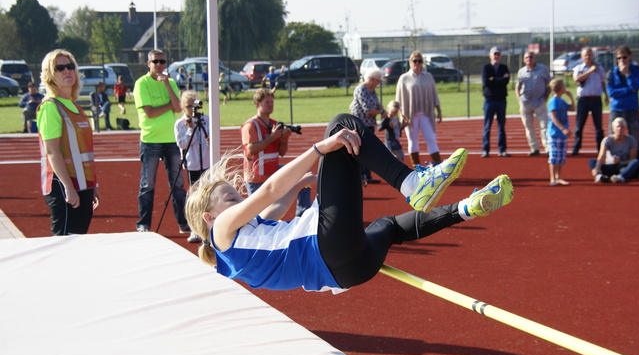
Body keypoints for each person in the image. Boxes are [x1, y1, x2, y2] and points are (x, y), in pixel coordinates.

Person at [185, 113, 514, 292]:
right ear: (210, 217)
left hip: (349, 272)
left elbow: (275, 208)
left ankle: (467, 208)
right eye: (229, 198)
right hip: (326, 246)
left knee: (389, 226)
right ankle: (413, 183)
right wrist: (318, 151)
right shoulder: (222, 232)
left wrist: (301, 182)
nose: (239, 199)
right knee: (343, 127)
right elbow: (268, 192)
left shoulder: (240, 248)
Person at [36, 49, 100, 235]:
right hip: (63, 185)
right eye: (60, 68)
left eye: (71, 66)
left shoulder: (77, 108)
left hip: (83, 184)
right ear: (50, 75)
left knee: (78, 240)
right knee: (64, 242)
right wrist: (68, 187)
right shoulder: (50, 107)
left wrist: (92, 185)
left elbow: (82, 150)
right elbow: (52, 152)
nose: (67, 71)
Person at [134, 49, 189, 234]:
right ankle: (144, 224)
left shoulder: (171, 83)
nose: (159, 65)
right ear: (148, 63)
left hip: (171, 140)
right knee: (148, 184)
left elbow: (179, 107)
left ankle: (183, 223)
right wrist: (169, 107)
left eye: (162, 61)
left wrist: (167, 86)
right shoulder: (141, 84)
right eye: (155, 61)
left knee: (178, 184)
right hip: (150, 140)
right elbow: (150, 112)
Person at [241, 88, 311, 217]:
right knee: (261, 218)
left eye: (272, 102)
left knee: (304, 174)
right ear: (257, 103)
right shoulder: (251, 125)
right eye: (267, 102)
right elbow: (251, 150)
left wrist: (285, 139)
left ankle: (303, 214)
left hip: (272, 171)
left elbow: (282, 152)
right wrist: (272, 138)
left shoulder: (274, 124)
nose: (270, 105)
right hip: (257, 178)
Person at [395, 51, 443, 167]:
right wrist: (401, 114)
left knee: (431, 138)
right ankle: (416, 167)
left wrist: (439, 109)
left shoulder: (428, 76)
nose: (417, 63)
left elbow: (434, 94)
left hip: (426, 113)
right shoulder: (404, 78)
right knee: (413, 140)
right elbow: (399, 98)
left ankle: (438, 165)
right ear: (410, 62)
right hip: (410, 115)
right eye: (414, 61)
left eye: (419, 61)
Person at [175, 90, 211, 243]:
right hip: (193, 164)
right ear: (183, 107)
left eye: (195, 105)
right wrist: (190, 128)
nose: (192, 109)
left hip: (207, 163)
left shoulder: (206, 120)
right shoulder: (180, 124)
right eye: (189, 106)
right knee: (195, 197)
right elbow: (183, 144)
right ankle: (195, 229)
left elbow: (211, 140)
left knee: (209, 196)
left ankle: (209, 229)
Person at [349, 67, 387, 184]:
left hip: (369, 123)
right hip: (360, 123)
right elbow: (368, 110)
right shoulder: (361, 89)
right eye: (378, 81)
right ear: (372, 79)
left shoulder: (371, 90)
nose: (378, 83)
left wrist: (382, 109)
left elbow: (377, 104)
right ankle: (359, 176)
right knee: (360, 149)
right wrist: (381, 112)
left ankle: (367, 175)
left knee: (368, 149)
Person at [571, 47, 609, 155]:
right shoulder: (579, 68)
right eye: (585, 55)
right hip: (583, 100)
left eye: (590, 55)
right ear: (582, 57)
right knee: (579, 126)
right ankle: (576, 148)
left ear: (593, 56)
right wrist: (590, 71)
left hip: (596, 99)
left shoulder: (599, 68)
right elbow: (577, 79)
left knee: (598, 127)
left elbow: (603, 82)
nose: (588, 57)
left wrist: (606, 95)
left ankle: (600, 148)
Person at [515, 51, 551, 156]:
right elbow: (517, 87)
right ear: (524, 60)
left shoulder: (543, 69)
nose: (529, 59)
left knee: (544, 126)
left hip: (540, 102)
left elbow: (550, 84)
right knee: (529, 127)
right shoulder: (521, 72)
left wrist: (546, 97)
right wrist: (519, 100)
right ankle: (534, 148)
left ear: (535, 58)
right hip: (526, 103)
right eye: (527, 58)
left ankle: (548, 147)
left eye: (531, 57)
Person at [607, 45, 639, 144]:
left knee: (634, 136)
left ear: (630, 57)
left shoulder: (636, 71)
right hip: (616, 109)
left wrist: (627, 74)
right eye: (619, 58)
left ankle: (635, 157)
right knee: (613, 136)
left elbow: (635, 87)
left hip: (631, 108)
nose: (622, 60)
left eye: (624, 57)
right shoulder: (612, 73)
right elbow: (611, 93)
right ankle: (613, 157)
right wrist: (628, 90)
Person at [481, 46, 511, 157]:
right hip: (489, 100)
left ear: (500, 56)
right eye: (494, 54)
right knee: (487, 126)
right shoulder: (486, 68)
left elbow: (506, 81)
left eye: (498, 54)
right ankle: (485, 150)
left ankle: (502, 150)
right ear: (490, 55)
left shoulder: (504, 67)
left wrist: (494, 79)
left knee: (501, 126)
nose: (496, 56)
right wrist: (500, 80)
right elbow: (486, 82)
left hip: (501, 100)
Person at [590, 117, 639, 183]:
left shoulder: (631, 140)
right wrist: (597, 168)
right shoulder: (607, 140)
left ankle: (621, 177)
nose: (620, 129)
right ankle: (600, 176)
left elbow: (632, 159)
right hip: (611, 166)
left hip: (624, 167)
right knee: (592, 161)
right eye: (618, 127)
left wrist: (620, 162)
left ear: (625, 129)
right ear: (613, 129)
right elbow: (601, 156)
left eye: (622, 127)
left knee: (635, 162)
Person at [546, 79, 575, 186]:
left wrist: (571, 97)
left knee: (561, 157)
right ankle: (552, 178)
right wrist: (563, 128)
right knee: (554, 156)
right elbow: (553, 117)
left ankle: (558, 177)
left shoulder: (562, 101)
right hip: (554, 133)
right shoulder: (553, 101)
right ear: (561, 89)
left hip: (562, 135)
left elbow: (572, 108)